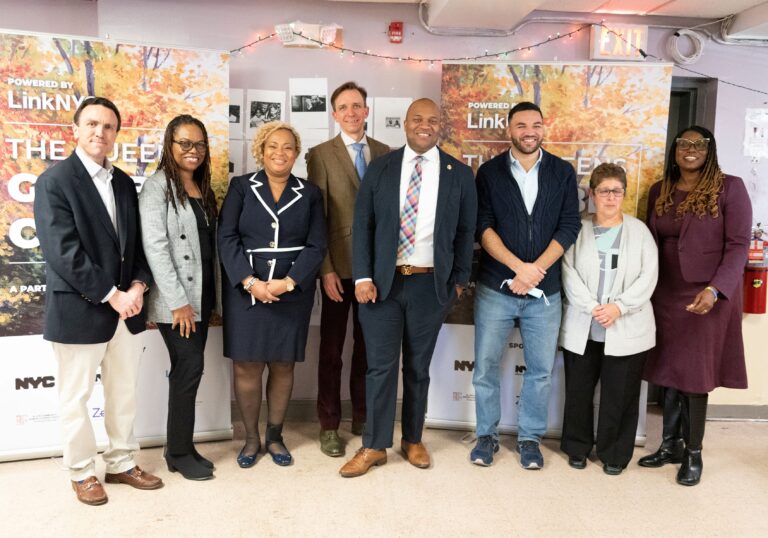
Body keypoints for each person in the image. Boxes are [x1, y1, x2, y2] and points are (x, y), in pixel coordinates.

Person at [33, 96, 163, 505]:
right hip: (80, 308)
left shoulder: (123, 182)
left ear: (116, 134)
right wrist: (113, 295)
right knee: (75, 399)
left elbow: (137, 247)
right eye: (91, 124)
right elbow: (63, 253)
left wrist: (139, 287)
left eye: (108, 127)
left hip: (127, 310)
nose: (99, 132)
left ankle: (123, 462)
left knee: (123, 393)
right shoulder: (54, 182)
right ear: (75, 129)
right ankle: (82, 472)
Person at [339, 98, 477, 478]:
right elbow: (362, 224)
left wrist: (459, 282)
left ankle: (413, 438)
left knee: (418, 368)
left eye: (432, 120)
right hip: (382, 286)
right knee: (380, 368)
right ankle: (374, 445)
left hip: (430, 287)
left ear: (440, 127)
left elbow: (467, 232)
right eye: (418, 119)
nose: (425, 125)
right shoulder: (382, 168)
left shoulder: (459, 174)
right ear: (405, 123)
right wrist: (363, 277)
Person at [639, 126, 752, 486]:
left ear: (709, 150)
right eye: (683, 144)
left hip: (706, 295)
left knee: (694, 375)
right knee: (669, 370)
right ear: (674, 150)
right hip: (665, 292)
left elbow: (737, 246)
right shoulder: (661, 190)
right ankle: (670, 444)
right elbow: (650, 242)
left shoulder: (729, 187)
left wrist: (716, 289)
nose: (690, 150)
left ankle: (693, 452)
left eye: (698, 144)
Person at [470, 101, 580, 469]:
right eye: (521, 125)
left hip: (544, 294)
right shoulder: (489, 172)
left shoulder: (563, 172)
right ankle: (486, 435)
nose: (529, 131)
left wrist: (536, 271)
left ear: (543, 128)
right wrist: (519, 268)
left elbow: (569, 226)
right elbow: (482, 226)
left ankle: (530, 438)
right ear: (509, 129)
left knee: (540, 371)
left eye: (535, 124)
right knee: (485, 367)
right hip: (495, 289)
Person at [218, 121, 326, 468]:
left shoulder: (309, 193)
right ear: (261, 151)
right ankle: (251, 438)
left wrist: (289, 281)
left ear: (296, 153)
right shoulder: (241, 188)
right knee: (247, 366)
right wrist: (250, 282)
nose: (280, 153)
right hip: (245, 289)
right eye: (272, 147)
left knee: (282, 365)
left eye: (288, 147)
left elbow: (316, 245)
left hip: (291, 292)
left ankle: (275, 436)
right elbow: (227, 238)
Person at [307, 81, 390, 457]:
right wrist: (324, 268)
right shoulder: (320, 154)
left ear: (367, 111)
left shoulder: (387, 153)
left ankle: (362, 415)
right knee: (331, 351)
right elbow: (317, 216)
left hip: (375, 269)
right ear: (334, 114)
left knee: (368, 348)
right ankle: (328, 425)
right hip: (338, 269)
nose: (352, 112)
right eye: (344, 107)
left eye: (358, 105)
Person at [559, 163, 658, 475]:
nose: (611, 197)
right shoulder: (578, 229)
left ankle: (615, 453)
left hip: (625, 325)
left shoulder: (639, 232)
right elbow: (567, 272)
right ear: (592, 194)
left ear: (624, 194)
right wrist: (592, 306)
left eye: (617, 191)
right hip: (584, 324)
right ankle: (577, 447)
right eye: (604, 191)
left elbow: (648, 276)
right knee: (578, 392)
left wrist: (619, 307)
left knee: (621, 395)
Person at [139, 115, 219, 481]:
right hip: (178, 302)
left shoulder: (204, 187)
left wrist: (211, 303)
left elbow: (208, 250)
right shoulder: (157, 187)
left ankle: (182, 447)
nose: (193, 150)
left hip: (202, 297)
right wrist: (177, 302)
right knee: (188, 370)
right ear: (169, 146)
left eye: (199, 144)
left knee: (191, 371)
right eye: (184, 143)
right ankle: (178, 452)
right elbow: (155, 247)